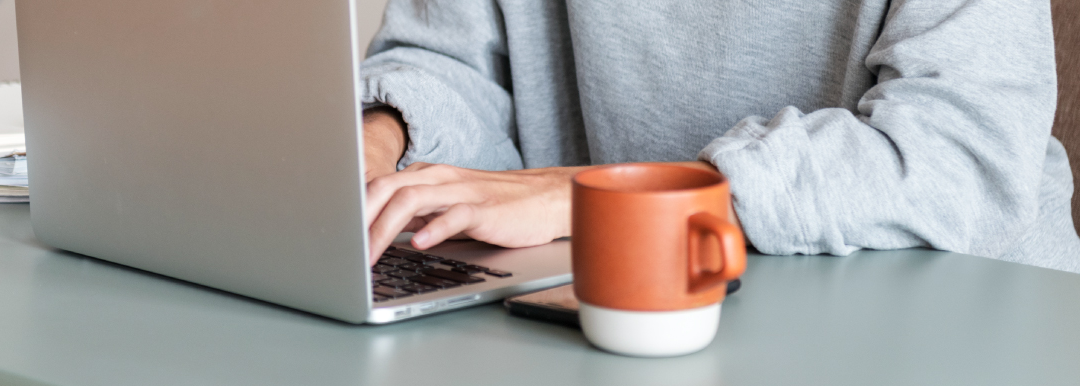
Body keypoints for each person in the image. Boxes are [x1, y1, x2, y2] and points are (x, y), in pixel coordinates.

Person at [357, 0, 1080, 273]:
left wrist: (606, 197)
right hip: (637, 296)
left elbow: (961, 153)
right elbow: (453, 57)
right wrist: (378, 137)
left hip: (957, 306)